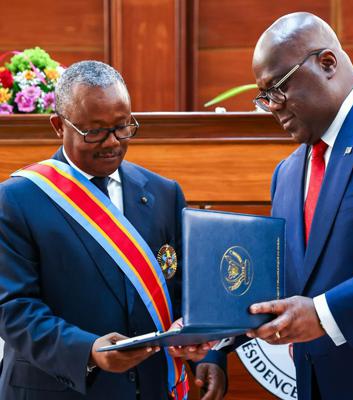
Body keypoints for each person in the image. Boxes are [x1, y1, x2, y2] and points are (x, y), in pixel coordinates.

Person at [0, 60, 226, 399]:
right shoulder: (16, 200)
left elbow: (188, 289)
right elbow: (13, 309)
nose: (112, 142)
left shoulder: (164, 193)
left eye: (122, 127)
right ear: (58, 125)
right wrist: (88, 351)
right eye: (94, 131)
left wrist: (207, 353)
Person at [245, 12, 353, 400]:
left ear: (327, 63)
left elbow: (316, 306)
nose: (272, 106)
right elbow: (287, 282)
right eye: (264, 96)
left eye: (277, 88)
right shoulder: (286, 173)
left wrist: (325, 314)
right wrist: (213, 338)